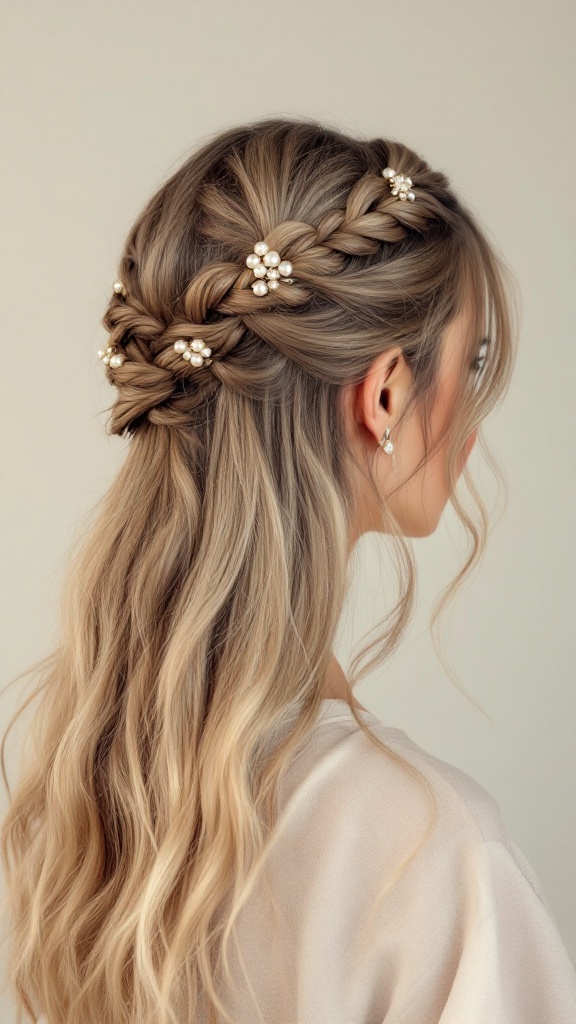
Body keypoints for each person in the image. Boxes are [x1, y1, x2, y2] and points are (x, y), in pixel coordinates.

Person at [1, 117, 574, 1024]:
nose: (475, 409)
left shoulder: (84, 794)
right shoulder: (432, 852)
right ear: (385, 394)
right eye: (472, 361)